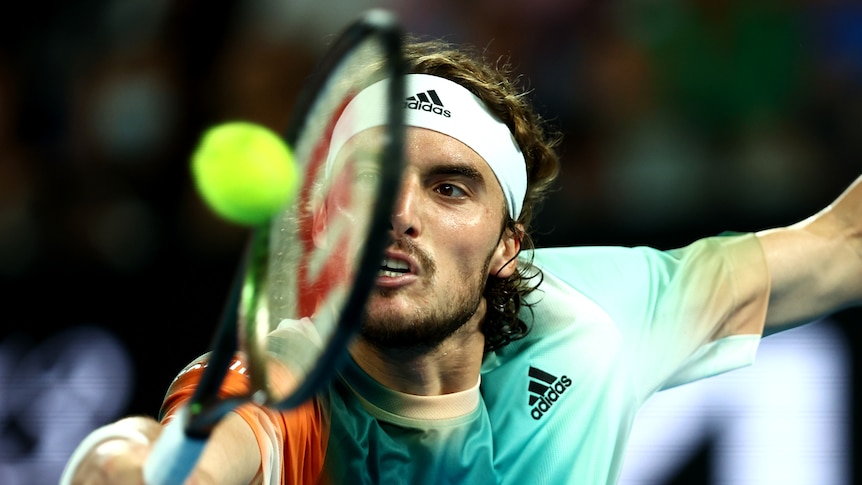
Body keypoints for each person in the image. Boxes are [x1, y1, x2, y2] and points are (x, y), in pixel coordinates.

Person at [63, 36, 862, 485]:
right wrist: (123, 463)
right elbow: (172, 457)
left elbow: (842, 245)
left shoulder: (596, 319)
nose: (398, 216)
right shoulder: (287, 383)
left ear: (506, 247)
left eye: (449, 188)